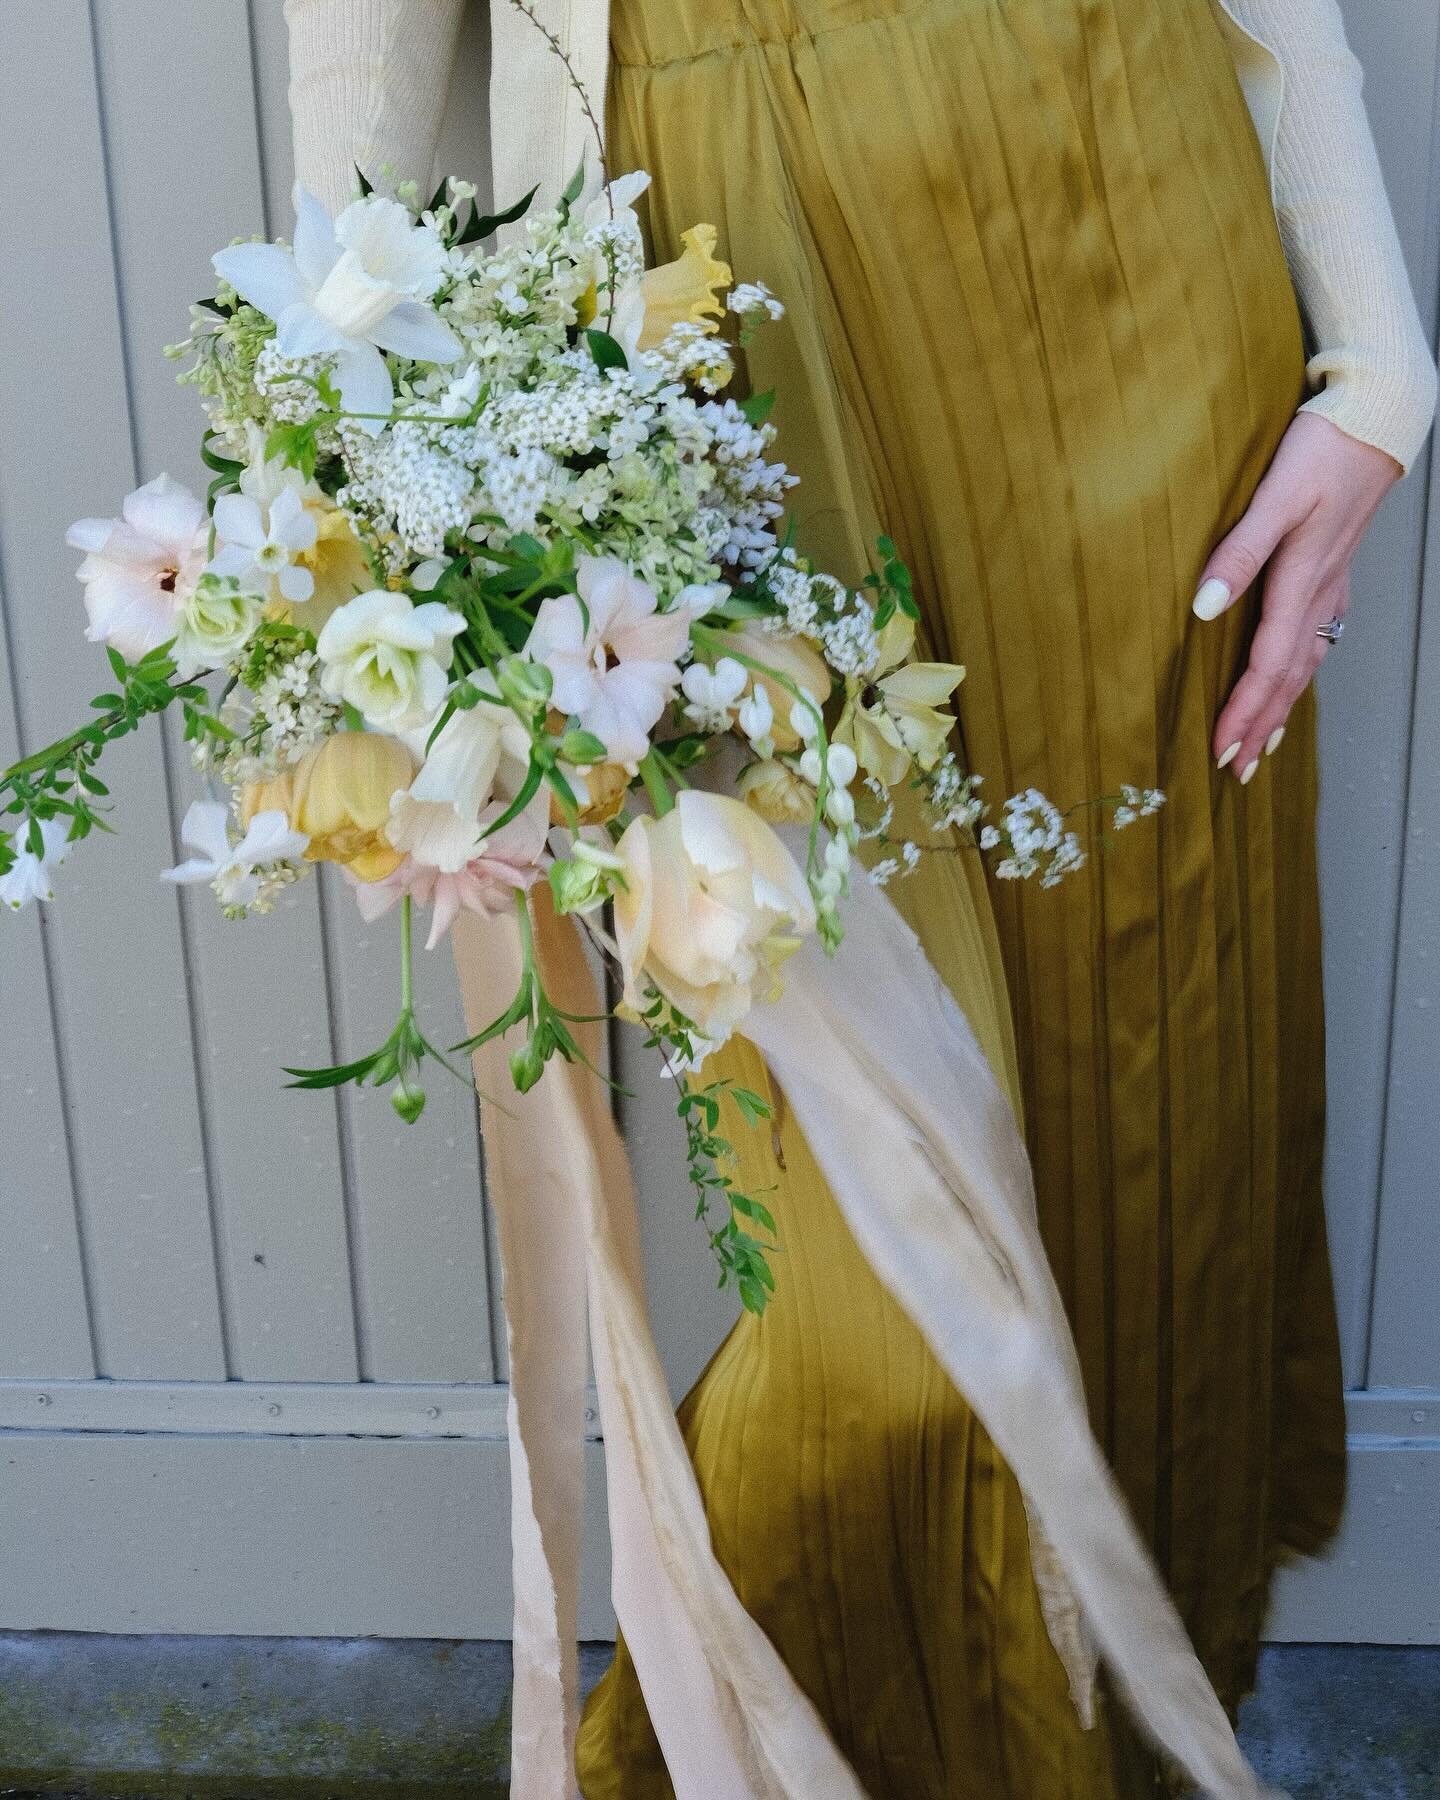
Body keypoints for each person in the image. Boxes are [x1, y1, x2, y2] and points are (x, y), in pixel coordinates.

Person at [285, 0, 1437, 1792]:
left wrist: (1377, 359)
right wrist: (366, 492)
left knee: (1153, 1077)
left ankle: (1129, 1722)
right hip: (710, 295)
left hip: (1130, 199)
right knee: (864, 1254)